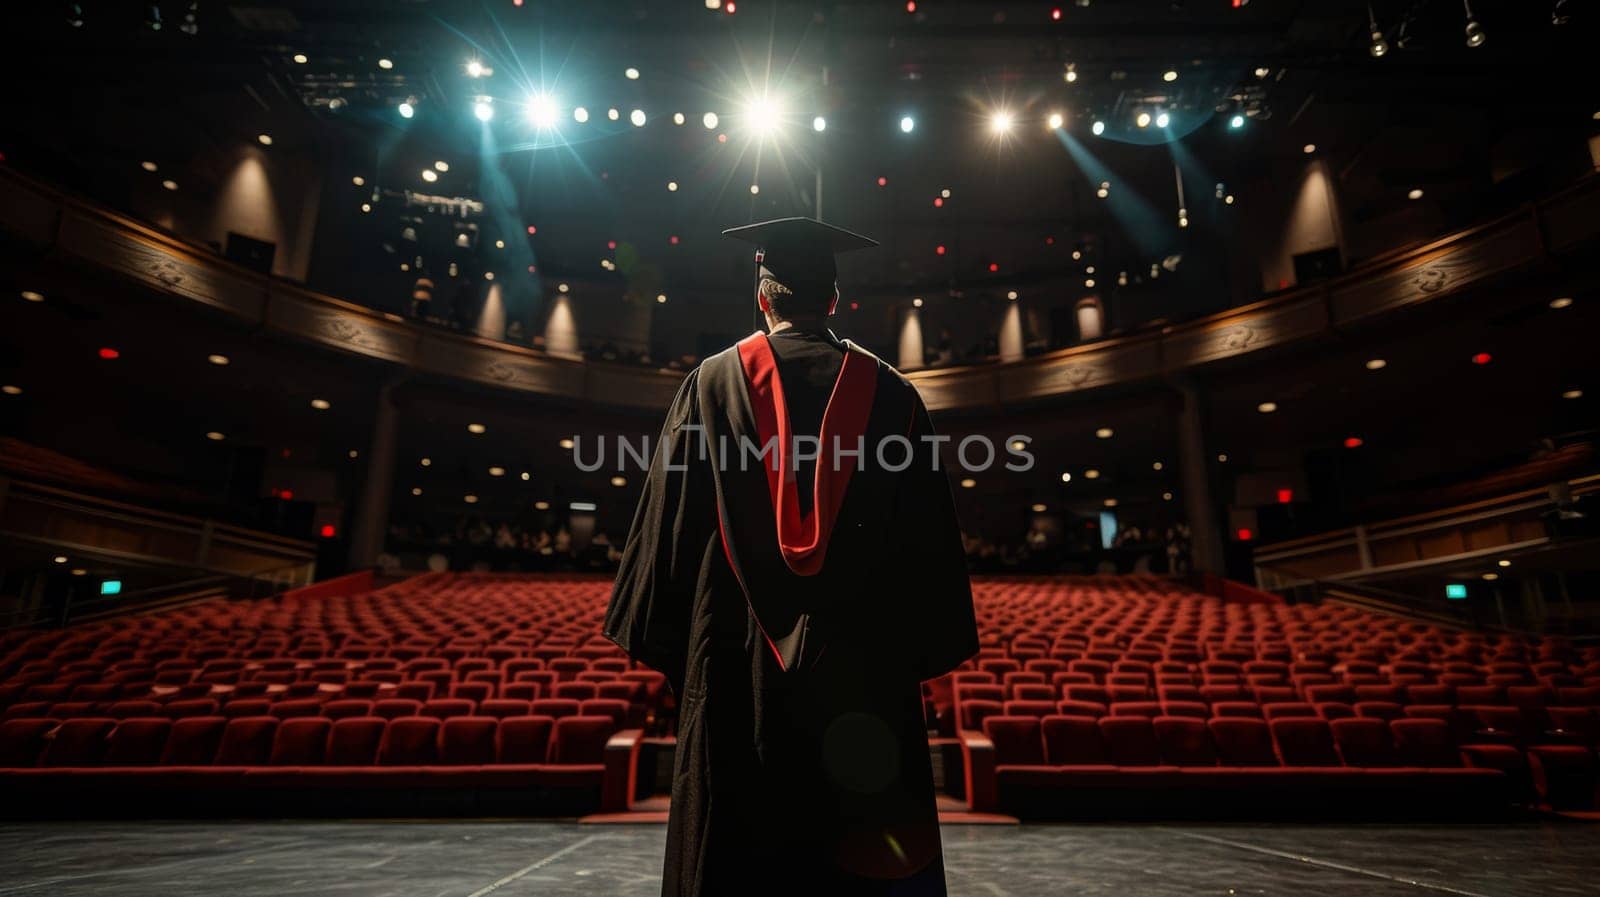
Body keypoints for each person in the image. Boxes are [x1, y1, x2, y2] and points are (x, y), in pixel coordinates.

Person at [605, 217, 977, 897]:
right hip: (863, 679)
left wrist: (683, 650)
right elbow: (930, 554)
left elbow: (669, 540)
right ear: (833, 300)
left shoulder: (710, 385)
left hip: (734, 672)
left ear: (763, 297)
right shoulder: (894, 395)